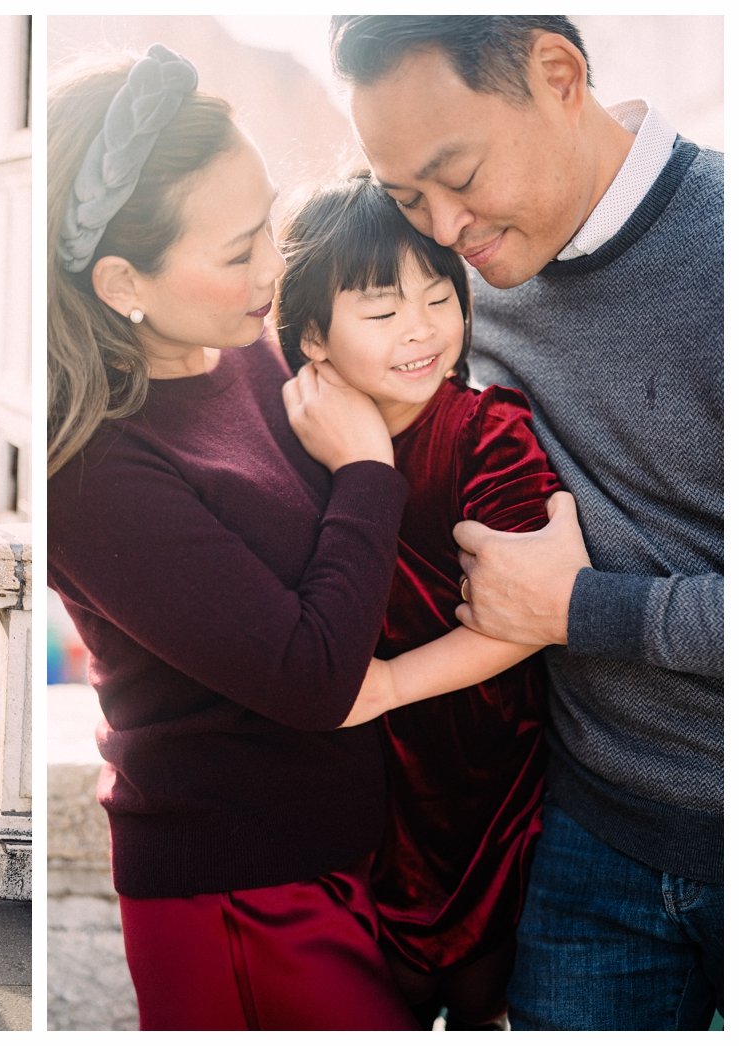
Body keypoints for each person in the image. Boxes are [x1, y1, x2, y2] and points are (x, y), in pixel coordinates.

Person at [329, 15, 722, 1030]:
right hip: (582, 836)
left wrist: (583, 608)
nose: (441, 224)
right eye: (404, 195)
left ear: (556, 75)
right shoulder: (450, 286)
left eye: (455, 174)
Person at [47, 46, 420, 1031]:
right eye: (237, 249)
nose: (275, 267)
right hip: (237, 892)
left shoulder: (241, 344)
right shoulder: (86, 471)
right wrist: (365, 468)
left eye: (270, 221)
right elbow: (309, 675)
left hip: (349, 854)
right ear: (122, 279)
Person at [275, 174, 559, 1028]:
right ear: (314, 338)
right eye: (382, 310)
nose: (421, 328)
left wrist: (395, 684)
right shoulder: (297, 443)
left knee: (481, 998)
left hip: (486, 782)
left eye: (439, 296)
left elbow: (529, 619)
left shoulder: (486, 431)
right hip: (361, 789)